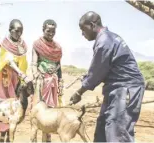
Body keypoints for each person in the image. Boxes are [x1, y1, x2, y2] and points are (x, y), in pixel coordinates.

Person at [70, 11, 145, 142]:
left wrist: (79, 92)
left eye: (83, 29)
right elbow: (101, 70)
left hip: (126, 88)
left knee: (117, 132)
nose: (82, 34)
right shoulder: (108, 38)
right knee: (103, 129)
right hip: (115, 89)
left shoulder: (105, 41)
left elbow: (96, 74)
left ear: (92, 25)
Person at [0, 19, 31, 143]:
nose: (19, 33)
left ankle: (8, 138)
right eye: (16, 30)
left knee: (15, 108)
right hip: (5, 79)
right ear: (10, 30)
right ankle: (2, 137)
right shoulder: (5, 44)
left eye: (21, 31)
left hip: (16, 79)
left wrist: (21, 76)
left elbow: (24, 63)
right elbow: (8, 61)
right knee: (4, 107)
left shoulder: (22, 45)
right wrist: (20, 72)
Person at [31, 19, 63, 142]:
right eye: (48, 31)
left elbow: (59, 67)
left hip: (53, 83)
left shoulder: (58, 48)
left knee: (50, 112)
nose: (51, 33)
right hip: (41, 82)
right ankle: (34, 139)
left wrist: (60, 82)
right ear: (43, 29)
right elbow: (33, 64)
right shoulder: (37, 45)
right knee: (38, 112)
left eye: (53, 31)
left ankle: (47, 139)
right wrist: (36, 76)